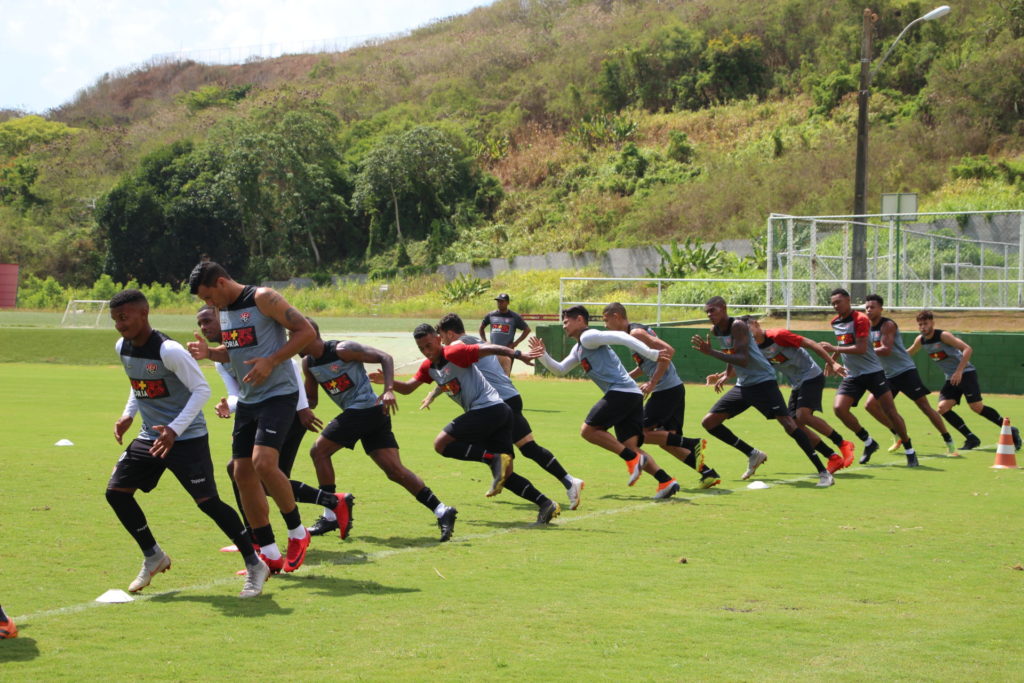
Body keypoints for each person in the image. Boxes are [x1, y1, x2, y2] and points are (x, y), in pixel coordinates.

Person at [107, 289, 270, 598]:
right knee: (116, 493)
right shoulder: (122, 346)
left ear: (144, 313)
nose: (119, 325)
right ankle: (153, 555)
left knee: (207, 502)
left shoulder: (169, 351)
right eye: (115, 319)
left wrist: (174, 430)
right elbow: (137, 384)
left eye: (124, 317)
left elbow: (201, 390)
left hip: (186, 438)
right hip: (150, 436)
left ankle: (255, 563)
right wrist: (128, 414)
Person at [187, 261, 316, 574]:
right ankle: (270, 553)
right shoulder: (226, 311)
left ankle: (298, 534)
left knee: (263, 464)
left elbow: (306, 332)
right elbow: (234, 352)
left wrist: (271, 361)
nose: (208, 305)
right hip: (248, 400)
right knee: (241, 473)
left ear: (220, 282)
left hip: (278, 395)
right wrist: (209, 353)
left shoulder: (263, 297)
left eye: (207, 297)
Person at [195, 306, 353, 552]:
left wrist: (302, 408)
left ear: (222, 318)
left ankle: (259, 537)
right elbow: (239, 395)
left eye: (208, 320)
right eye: (200, 324)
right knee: (256, 476)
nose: (204, 328)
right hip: (261, 413)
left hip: (287, 412)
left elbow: (287, 367)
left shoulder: (247, 336)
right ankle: (331, 502)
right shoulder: (221, 361)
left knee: (254, 473)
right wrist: (230, 405)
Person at [384, 323, 561, 525]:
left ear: (439, 339)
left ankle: (492, 458)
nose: (426, 351)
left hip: (490, 409)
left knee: (441, 444)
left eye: (429, 345)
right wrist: (387, 382)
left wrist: (519, 354)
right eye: (421, 348)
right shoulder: (429, 367)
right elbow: (408, 388)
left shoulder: (456, 351)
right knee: (505, 475)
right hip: (496, 413)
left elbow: (491, 348)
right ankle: (546, 503)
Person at [302, 319, 458, 542]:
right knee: (395, 471)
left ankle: (330, 515)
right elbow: (312, 400)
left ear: (308, 334)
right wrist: (295, 406)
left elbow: (385, 357)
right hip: (372, 415)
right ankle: (442, 510)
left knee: (319, 451)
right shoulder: (309, 364)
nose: (291, 340)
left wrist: (389, 390)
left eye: (294, 334)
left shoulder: (342, 349)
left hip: (365, 409)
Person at [430, 313, 586, 509]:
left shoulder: (462, 343)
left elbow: (498, 354)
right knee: (523, 450)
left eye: (442, 337)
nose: (442, 343)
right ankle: (561, 484)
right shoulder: (473, 342)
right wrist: (434, 392)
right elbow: (458, 371)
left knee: (494, 452)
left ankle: (563, 485)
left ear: (450, 334)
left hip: (499, 403)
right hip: (507, 397)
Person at [531, 305, 683, 499]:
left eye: (567, 321)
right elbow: (559, 370)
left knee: (589, 430)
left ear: (580, 320)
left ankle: (632, 460)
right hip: (631, 394)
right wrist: (542, 354)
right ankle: (666, 481)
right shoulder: (579, 348)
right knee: (630, 445)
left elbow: (622, 337)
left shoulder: (588, 336)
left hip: (622, 393)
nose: (564, 326)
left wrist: (652, 354)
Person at [692, 297, 838, 487]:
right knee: (709, 422)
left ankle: (824, 473)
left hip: (763, 382)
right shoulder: (716, 330)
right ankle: (753, 454)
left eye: (713, 310)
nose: (710, 315)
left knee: (789, 424)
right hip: (743, 385)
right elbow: (730, 352)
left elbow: (743, 359)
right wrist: (727, 375)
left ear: (724, 309)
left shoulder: (738, 326)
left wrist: (710, 352)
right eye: (707, 312)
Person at [600, 303, 722, 489]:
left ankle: (691, 442)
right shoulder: (633, 333)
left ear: (616, 316)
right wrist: (622, 379)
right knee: (667, 441)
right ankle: (708, 473)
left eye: (606, 320)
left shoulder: (636, 334)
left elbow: (668, 352)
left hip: (666, 391)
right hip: (673, 389)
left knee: (640, 433)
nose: (606, 326)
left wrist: (653, 383)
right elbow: (646, 365)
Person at [743, 317, 857, 475]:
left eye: (749, 329)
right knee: (793, 426)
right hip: (797, 383)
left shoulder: (778, 335)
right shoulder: (755, 348)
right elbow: (745, 365)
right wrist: (723, 375)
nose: (748, 334)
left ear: (756, 324)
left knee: (803, 415)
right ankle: (832, 456)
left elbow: (810, 343)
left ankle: (842, 443)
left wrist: (832, 363)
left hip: (811, 375)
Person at [820, 288, 917, 467]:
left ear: (848, 301)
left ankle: (910, 450)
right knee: (839, 408)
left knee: (890, 411)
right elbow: (844, 343)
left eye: (838, 302)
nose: (835, 306)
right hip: (853, 374)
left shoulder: (861, 319)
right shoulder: (835, 322)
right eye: (833, 303)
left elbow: (861, 348)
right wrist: (832, 361)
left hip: (873, 373)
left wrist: (834, 350)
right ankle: (868, 442)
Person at [909, 309, 1021, 451]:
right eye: (920, 324)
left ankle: (1011, 430)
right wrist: (891, 356)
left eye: (925, 323)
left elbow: (967, 349)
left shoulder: (943, 336)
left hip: (966, 373)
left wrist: (959, 371)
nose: (923, 327)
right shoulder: (921, 340)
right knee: (942, 408)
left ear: (932, 323)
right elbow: (911, 351)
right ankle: (971, 438)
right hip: (952, 378)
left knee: (976, 407)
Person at [862, 295, 959, 456]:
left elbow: (885, 349)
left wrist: (864, 351)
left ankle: (948, 439)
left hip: (905, 371)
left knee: (924, 407)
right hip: (886, 375)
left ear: (881, 309)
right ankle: (897, 433)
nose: (868, 310)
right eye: (866, 307)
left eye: (872, 307)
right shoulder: (865, 328)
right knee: (870, 406)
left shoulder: (888, 325)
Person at [479, 293, 531, 376]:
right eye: (498, 301)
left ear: (508, 303)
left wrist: (515, 343)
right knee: (492, 376)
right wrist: (485, 342)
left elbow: (527, 330)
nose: (500, 303)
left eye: (502, 301)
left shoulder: (514, 317)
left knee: (505, 377)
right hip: (493, 351)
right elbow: (481, 328)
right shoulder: (491, 315)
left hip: (507, 352)